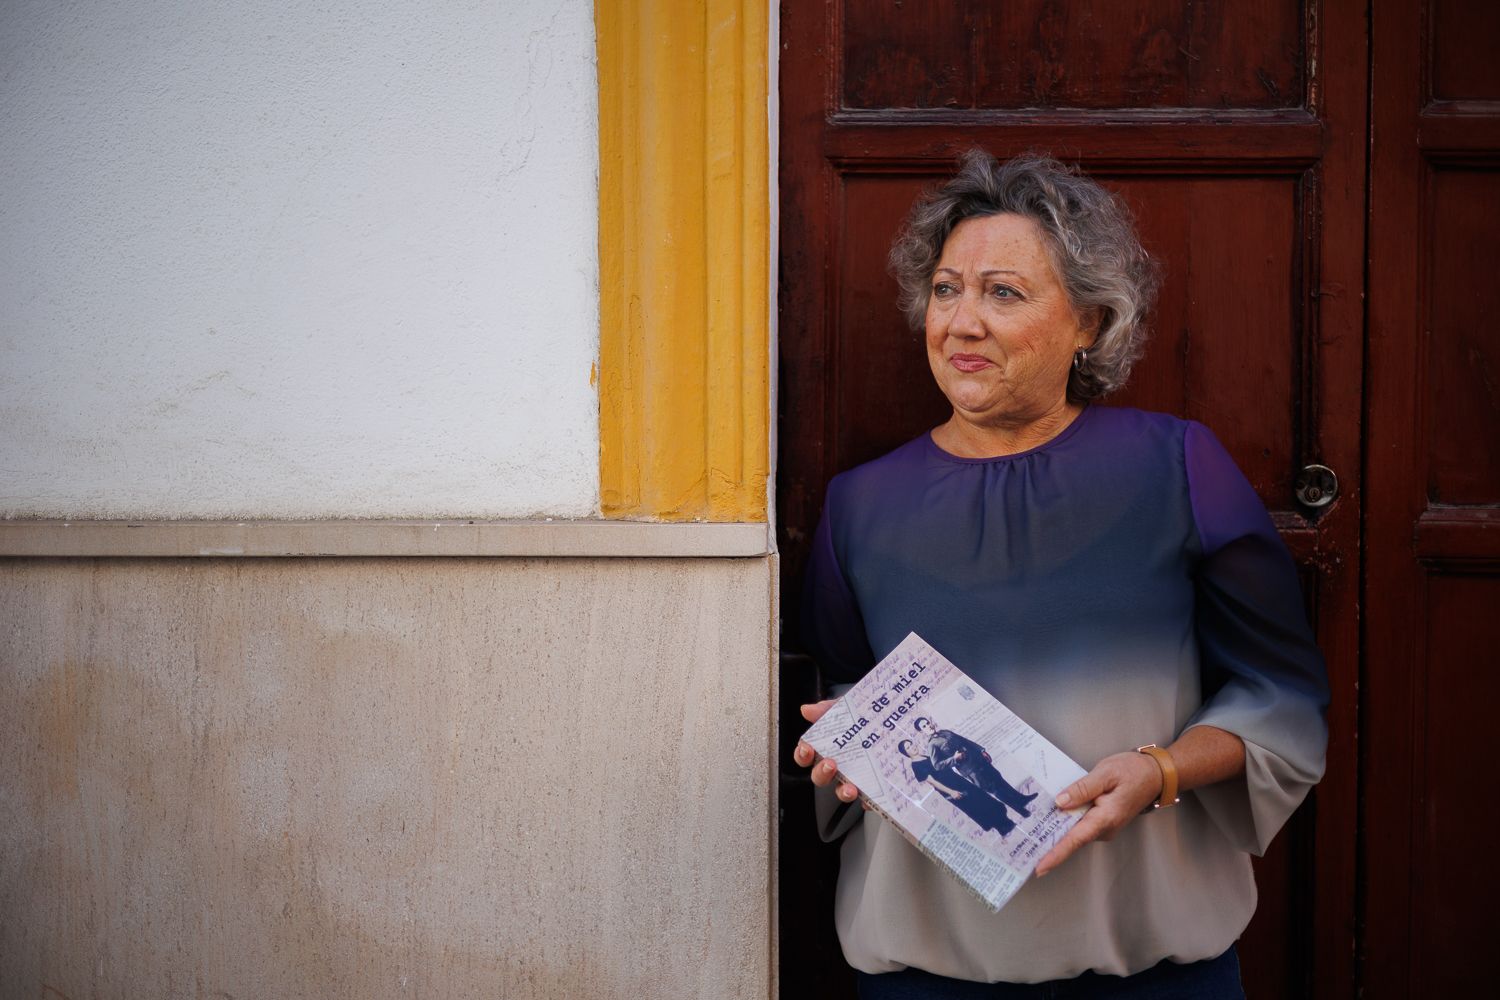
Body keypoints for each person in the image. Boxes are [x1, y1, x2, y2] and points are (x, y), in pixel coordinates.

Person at [791, 151, 1329, 997]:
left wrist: (1162, 770)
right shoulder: (860, 505)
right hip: (927, 976)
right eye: (945, 289)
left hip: (1155, 974)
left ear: (1090, 320)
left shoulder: (1177, 467)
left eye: (1003, 292)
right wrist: (847, 751)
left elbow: (1281, 698)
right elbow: (850, 712)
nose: (961, 322)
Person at [914, 716, 1040, 822]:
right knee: (994, 789)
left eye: (928, 723)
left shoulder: (945, 732)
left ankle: (1022, 799)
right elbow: (937, 765)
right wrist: (954, 758)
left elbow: (965, 741)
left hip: (978, 759)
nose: (928, 726)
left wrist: (981, 750)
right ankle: (1022, 811)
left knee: (998, 779)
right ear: (921, 732)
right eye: (924, 726)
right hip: (969, 770)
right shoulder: (932, 745)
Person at [896, 737, 1015, 836]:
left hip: (958, 781)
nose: (912, 747)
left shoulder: (925, 756)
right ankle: (1002, 828)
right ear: (906, 753)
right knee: (977, 807)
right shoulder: (916, 765)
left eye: (911, 744)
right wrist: (951, 792)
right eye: (908, 748)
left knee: (983, 799)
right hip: (951, 789)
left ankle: (1006, 822)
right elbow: (933, 782)